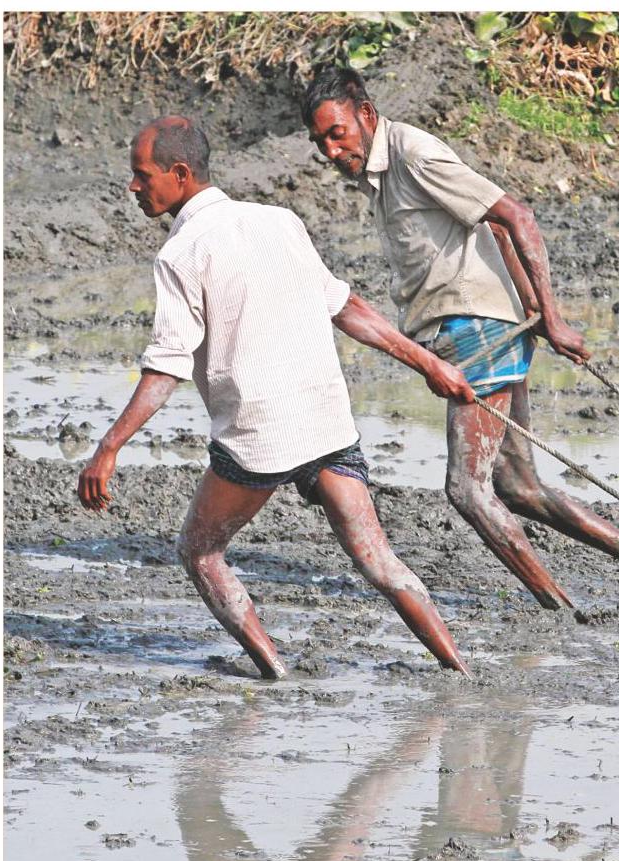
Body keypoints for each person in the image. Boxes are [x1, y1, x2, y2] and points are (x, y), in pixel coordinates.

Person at [78, 115, 475, 680]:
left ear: (180, 174)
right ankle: (459, 670)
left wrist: (109, 447)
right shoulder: (280, 220)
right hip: (325, 422)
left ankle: (275, 673)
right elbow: (347, 308)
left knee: (199, 551)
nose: (133, 187)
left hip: (258, 438)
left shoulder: (181, 253)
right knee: (379, 560)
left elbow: (166, 366)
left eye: (142, 175)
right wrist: (430, 364)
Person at [300, 66, 619, 610]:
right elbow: (494, 228)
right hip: (477, 327)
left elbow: (515, 215)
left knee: (468, 489)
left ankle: (560, 608)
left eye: (337, 134)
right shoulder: (380, 173)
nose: (331, 151)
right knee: (518, 487)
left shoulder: (415, 154)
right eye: (320, 142)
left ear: (365, 114)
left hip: (477, 330)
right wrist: (530, 306)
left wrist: (552, 317)